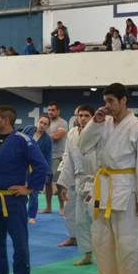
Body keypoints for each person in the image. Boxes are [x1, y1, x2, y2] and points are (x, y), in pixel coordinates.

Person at [78, 83, 138, 274]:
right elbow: (82, 146)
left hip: (127, 191)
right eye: (106, 101)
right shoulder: (102, 123)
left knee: (129, 245)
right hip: (102, 188)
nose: (108, 105)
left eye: (112, 101)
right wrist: (94, 123)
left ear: (124, 101)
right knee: (101, 242)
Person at [0, 106, 49, 274]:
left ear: (6, 120)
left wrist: (29, 188)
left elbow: (41, 165)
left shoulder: (23, 140)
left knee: (19, 240)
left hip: (13, 199)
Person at [57, 105, 97, 265]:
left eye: (86, 115)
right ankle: (87, 254)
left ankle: (104, 255)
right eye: (80, 115)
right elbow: (68, 159)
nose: (82, 118)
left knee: (97, 221)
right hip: (79, 180)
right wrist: (63, 184)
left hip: (97, 182)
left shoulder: (100, 133)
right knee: (80, 221)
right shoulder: (72, 134)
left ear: (93, 117)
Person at [24, 116, 52, 225]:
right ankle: (20, 213)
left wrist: (47, 172)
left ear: (48, 126)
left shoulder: (47, 140)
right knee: (19, 191)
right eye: (41, 122)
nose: (42, 125)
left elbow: (47, 156)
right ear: (37, 122)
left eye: (45, 124)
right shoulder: (28, 129)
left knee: (33, 192)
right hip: (22, 165)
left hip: (36, 168)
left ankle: (32, 216)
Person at [45, 102, 69, 217]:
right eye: (49, 110)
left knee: (60, 184)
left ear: (58, 111)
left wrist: (43, 135)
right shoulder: (45, 122)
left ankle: (62, 207)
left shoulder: (62, 122)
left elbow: (56, 137)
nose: (50, 112)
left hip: (59, 157)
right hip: (46, 157)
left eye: (53, 110)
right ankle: (48, 207)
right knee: (47, 183)